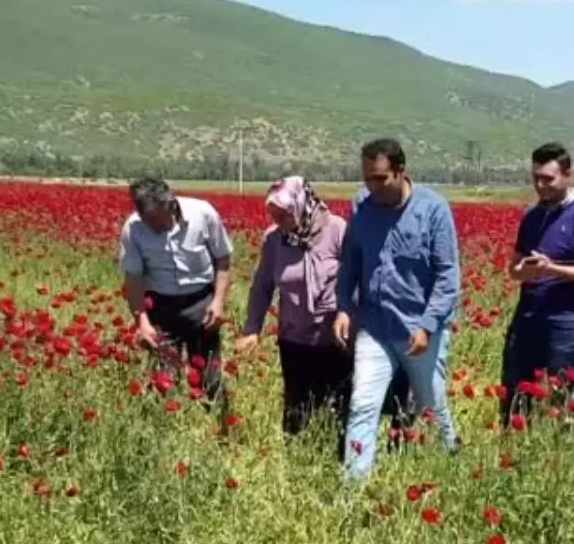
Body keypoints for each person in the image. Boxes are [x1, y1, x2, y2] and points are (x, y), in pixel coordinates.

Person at [237, 176, 413, 457]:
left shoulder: (337, 231)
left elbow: (360, 279)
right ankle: (296, 464)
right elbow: (262, 287)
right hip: (294, 340)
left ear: (301, 206)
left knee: (340, 407)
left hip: (336, 340)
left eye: (283, 214)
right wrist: (252, 329)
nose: (277, 221)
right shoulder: (274, 240)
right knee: (296, 409)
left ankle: (340, 462)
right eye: (273, 214)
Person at [334, 138, 462, 481]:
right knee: (362, 404)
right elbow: (350, 262)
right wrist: (344, 307)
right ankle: (353, 487)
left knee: (430, 403)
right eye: (366, 178)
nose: (371, 186)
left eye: (380, 178)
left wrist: (428, 324)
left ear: (401, 172)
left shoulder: (433, 209)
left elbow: (448, 274)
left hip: (419, 329)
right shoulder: (361, 205)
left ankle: (451, 462)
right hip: (375, 326)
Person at [501, 142, 574, 429]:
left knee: (566, 402)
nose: (540, 185)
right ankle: (514, 459)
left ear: (567, 175)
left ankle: (569, 456)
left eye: (548, 178)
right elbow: (514, 268)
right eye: (535, 177)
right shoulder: (532, 216)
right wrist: (522, 270)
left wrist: (553, 269)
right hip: (526, 320)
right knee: (515, 399)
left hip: (565, 324)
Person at [118, 177, 232, 404]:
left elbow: (223, 259)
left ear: (171, 204)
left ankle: (215, 428)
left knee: (209, 376)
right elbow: (133, 278)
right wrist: (142, 321)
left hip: (201, 304)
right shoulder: (134, 228)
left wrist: (218, 301)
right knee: (163, 379)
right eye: (147, 220)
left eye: (158, 220)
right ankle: (165, 426)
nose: (154, 227)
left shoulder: (203, 214)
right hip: (160, 307)